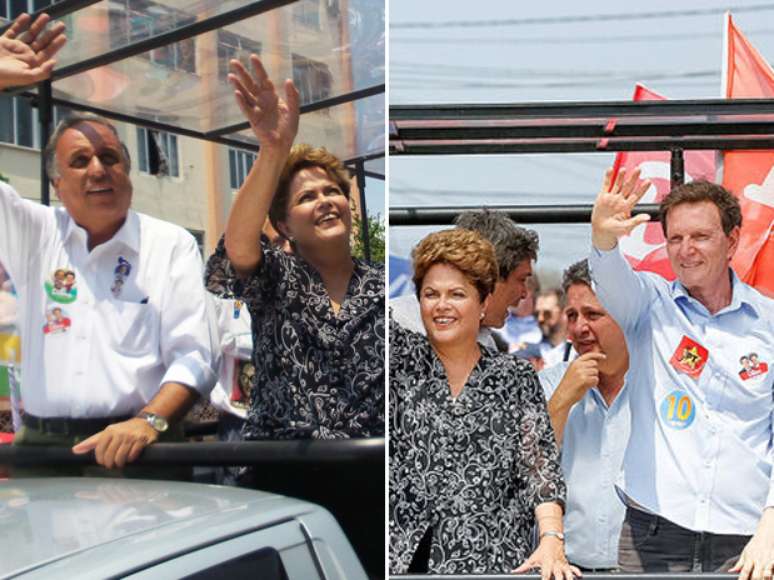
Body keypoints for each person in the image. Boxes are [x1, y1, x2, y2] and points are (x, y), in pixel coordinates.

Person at [0, 13, 216, 472]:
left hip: (141, 445)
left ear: (128, 171)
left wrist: (149, 420)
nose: (97, 169)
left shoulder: (170, 244)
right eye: (79, 161)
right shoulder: (31, 233)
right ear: (56, 184)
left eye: (108, 157)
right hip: (44, 450)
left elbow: (195, 354)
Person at [203, 53, 384, 575]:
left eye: (334, 191)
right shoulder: (275, 277)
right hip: (284, 481)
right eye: (307, 196)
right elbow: (236, 246)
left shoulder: (384, 287)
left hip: (370, 478)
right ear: (281, 221)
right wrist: (273, 148)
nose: (326, 201)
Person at [589, 169, 774, 579]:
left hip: (746, 540)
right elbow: (610, 280)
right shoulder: (649, 304)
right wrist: (603, 239)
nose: (686, 250)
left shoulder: (769, 322)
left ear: (733, 240)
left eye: (700, 237)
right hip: (654, 533)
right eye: (675, 239)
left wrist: (771, 526)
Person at [390, 228, 577, 578]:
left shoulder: (515, 378)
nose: (442, 306)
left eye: (457, 294)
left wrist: (552, 538)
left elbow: (540, 469)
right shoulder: (399, 363)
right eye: (431, 294)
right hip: (405, 562)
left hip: (493, 562)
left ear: (484, 301)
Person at [538, 259, 630, 571]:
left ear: (626, 316)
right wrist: (563, 399)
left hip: (642, 570)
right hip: (566, 568)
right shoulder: (548, 383)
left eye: (593, 314)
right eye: (573, 315)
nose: (579, 327)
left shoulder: (657, 385)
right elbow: (525, 464)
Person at [391, 209, 538, 350]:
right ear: (491, 276)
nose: (524, 293)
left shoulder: (486, 345)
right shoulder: (395, 327)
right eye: (521, 279)